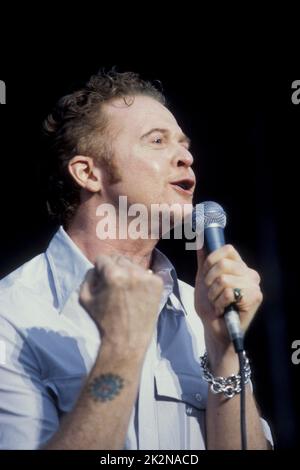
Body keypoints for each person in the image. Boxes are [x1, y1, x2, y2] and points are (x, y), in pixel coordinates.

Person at [0, 70, 272, 450]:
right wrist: (122, 348)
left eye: (184, 144)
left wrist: (222, 348)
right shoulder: (11, 316)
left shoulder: (203, 312)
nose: (186, 157)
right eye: (157, 141)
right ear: (88, 172)